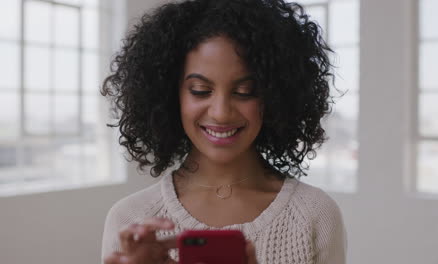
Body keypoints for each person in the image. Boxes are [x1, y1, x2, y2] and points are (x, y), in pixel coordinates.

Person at [100, 0, 347, 263]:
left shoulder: (315, 214)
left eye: (244, 92)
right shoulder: (131, 219)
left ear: (275, 97)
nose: (221, 112)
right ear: (171, 96)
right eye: (200, 91)